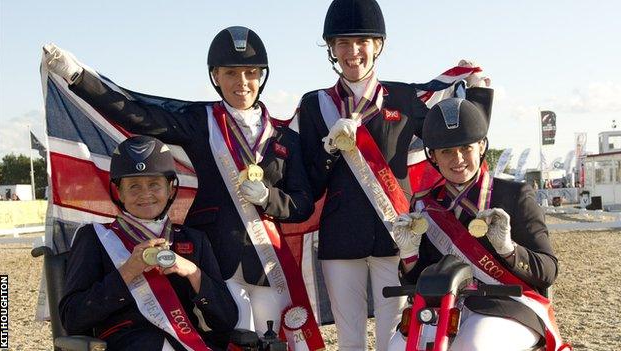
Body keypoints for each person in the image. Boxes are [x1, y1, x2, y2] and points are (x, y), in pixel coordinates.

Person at [44, 26, 321, 345]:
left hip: (266, 262)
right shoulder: (199, 121)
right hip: (217, 259)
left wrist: (269, 198)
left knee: (273, 342)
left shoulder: (285, 139)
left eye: (250, 72)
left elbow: (302, 205)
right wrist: (78, 76)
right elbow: (138, 115)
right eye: (231, 73)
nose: (241, 83)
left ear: (262, 76)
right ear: (216, 76)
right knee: (229, 339)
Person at [296, 0, 492, 349]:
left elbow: (459, 131)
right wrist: (330, 149)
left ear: (378, 46)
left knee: (395, 337)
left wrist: (477, 91)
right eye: (342, 42)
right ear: (331, 48)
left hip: (396, 237)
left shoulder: (404, 97)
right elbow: (310, 183)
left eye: (362, 41)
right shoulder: (315, 105)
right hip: (341, 240)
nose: (353, 51)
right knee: (350, 339)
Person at [392, 98, 561, 350]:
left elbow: (548, 271)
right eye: (446, 151)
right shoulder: (424, 204)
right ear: (433, 156)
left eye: (465, 148)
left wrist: (508, 249)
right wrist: (408, 256)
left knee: (473, 343)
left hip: (510, 305)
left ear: (481, 146)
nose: (457, 158)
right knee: (395, 346)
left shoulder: (515, 195)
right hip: (445, 307)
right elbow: (419, 283)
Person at [59, 135, 238, 350]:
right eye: (134, 186)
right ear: (119, 193)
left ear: (171, 189)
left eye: (154, 184)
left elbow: (226, 319)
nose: (145, 194)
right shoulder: (95, 237)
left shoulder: (194, 239)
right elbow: (73, 318)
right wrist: (127, 272)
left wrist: (192, 272)